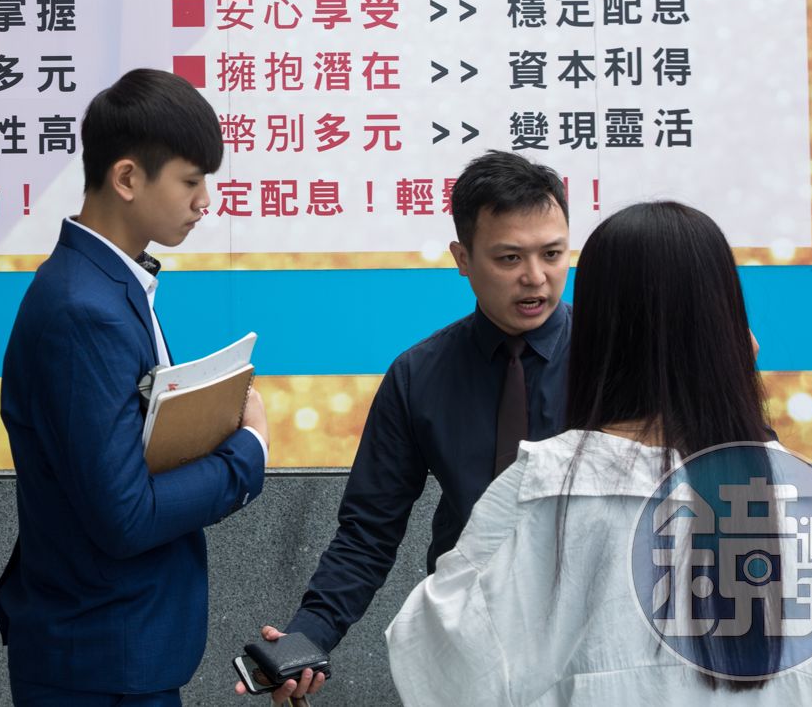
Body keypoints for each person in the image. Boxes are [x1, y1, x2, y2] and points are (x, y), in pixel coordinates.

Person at [385, 201, 812, 704]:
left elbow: (435, 659)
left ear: (597, 329)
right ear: (729, 325)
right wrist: (740, 396)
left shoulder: (544, 483)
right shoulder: (798, 494)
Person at [242, 150, 572, 703]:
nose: (535, 277)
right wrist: (307, 638)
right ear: (463, 258)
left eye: (552, 253)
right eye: (509, 257)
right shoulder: (419, 375)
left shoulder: (618, 363)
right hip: (470, 643)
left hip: (588, 638)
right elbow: (368, 533)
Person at [0, 68, 270, 707]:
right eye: (191, 181)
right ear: (126, 178)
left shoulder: (109, 284)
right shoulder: (83, 310)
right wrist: (247, 453)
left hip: (109, 647)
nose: (205, 201)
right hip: (99, 658)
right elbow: (124, 515)